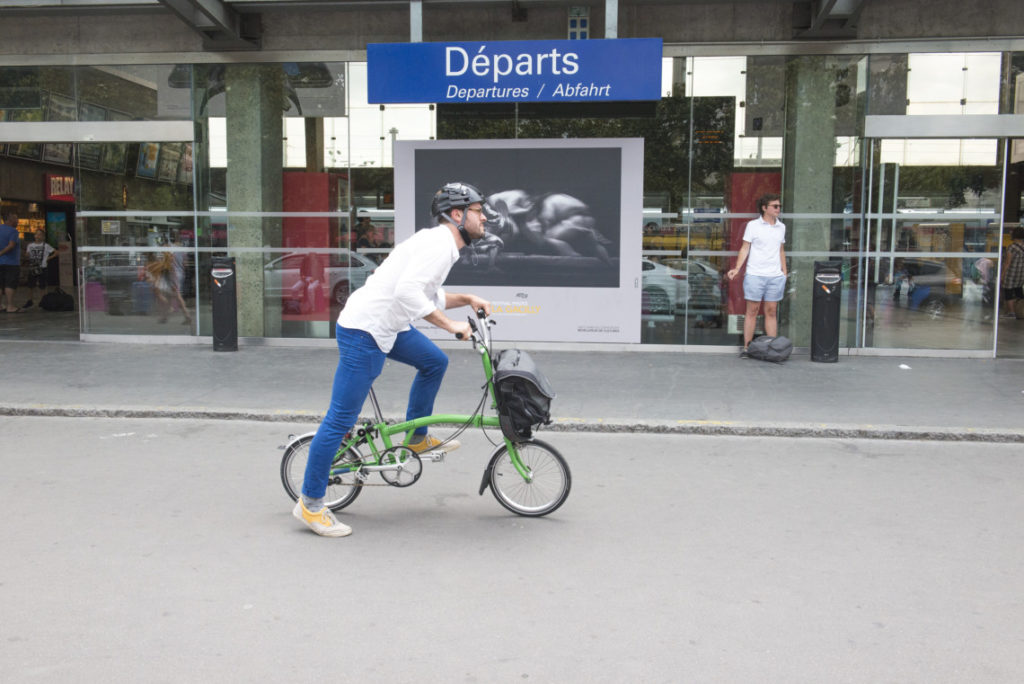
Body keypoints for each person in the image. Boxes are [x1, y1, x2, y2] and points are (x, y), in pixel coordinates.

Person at [293, 182, 492, 537]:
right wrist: (451, 327)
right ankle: (310, 504)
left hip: (390, 326)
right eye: (479, 211)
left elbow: (427, 292)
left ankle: (416, 436)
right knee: (340, 419)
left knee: (434, 362)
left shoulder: (442, 245)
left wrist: (467, 298)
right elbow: (407, 291)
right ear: (458, 215)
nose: (485, 217)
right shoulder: (438, 245)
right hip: (365, 331)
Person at [727, 193, 787, 357]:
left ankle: (773, 349)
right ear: (764, 208)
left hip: (775, 276)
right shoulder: (753, 226)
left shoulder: (781, 227)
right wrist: (737, 268)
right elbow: (745, 248)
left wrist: (784, 272)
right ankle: (747, 348)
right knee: (752, 311)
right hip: (755, 274)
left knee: (771, 311)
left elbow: (781, 250)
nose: (778, 209)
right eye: (775, 206)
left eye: (779, 206)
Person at [22, 228, 57, 309]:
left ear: (43, 237)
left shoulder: (46, 245)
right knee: (30, 285)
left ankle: (43, 300)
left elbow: (56, 252)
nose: (38, 236)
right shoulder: (30, 245)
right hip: (33, 267)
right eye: (36, 234)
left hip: (42, 267)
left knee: (42, 285)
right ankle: (30, 300)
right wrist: (26, 255)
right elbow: (27, 254)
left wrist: (48, 258)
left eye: (40, 234)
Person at [0, 210, 23, 314]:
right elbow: (11, 245)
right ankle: (10, 306)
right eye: (15, 218)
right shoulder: (13, 231)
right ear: (9, 219)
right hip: (11, 262)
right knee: (10, 284)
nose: (17, 221)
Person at [1000, 225, 1024, 319]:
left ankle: (1011, 312)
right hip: (1021, 274)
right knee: (1019, 292)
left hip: (1011, 273)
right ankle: (1020, 310)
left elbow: (1007, 263)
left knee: (1008, 291)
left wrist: (1002, 275)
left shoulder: (1012, 247)